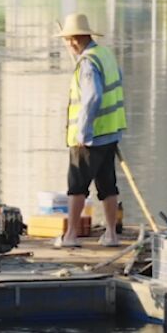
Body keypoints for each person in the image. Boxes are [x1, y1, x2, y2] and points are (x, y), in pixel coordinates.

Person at [55, 13, 126, 249]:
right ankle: (111, 235)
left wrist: (83, 131)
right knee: (107, 185)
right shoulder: (104, 54)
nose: (67, 44)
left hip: (91, 137)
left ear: (74, 40)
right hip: (110, 132)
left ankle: (71, 235)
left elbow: (93, 95)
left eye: (67, 40)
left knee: (77, 186)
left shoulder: (87, 63)